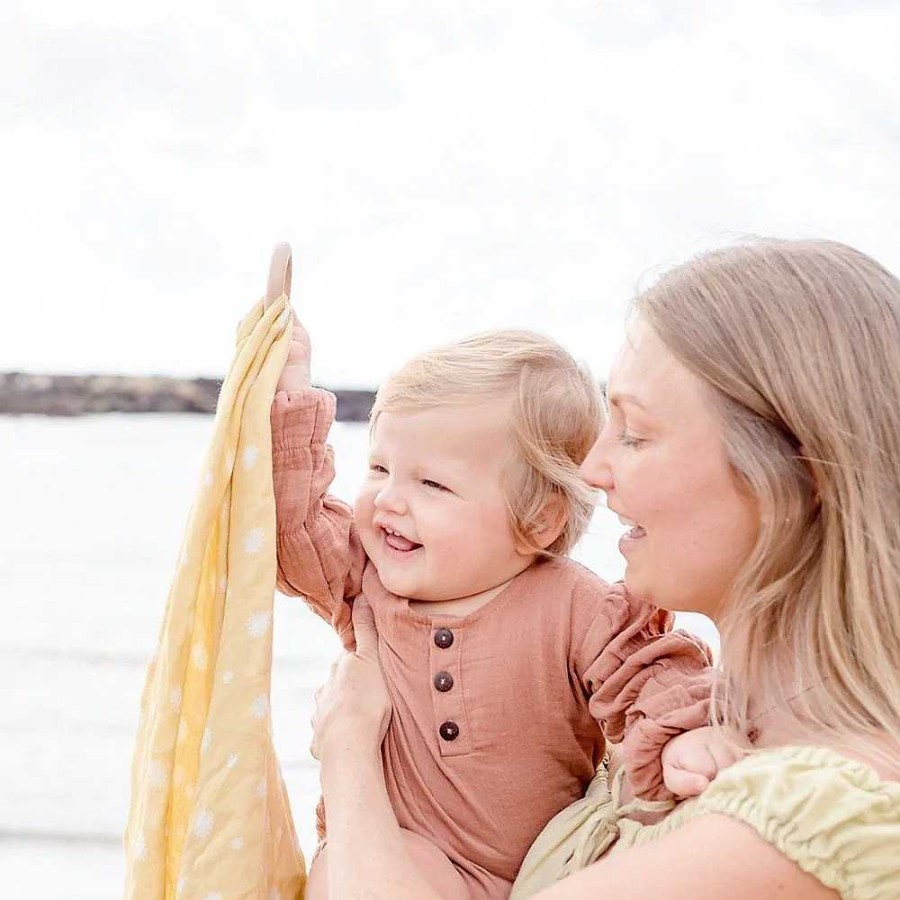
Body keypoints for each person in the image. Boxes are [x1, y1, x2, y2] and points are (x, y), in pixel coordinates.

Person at [309, 238, 900, 899]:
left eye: (637, 433)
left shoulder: (799, 816)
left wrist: (348, 750)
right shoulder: (698, 739)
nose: (592, 470)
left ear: (792, 476)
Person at [270, 327, 742, 899]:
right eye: (379, 469)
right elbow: (289, 527)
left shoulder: (578, 605)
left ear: (537, 521)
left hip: (546, 870)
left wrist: (682, 739)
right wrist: (286, 393)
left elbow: (651, 676)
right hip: (391, 853)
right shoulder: (364, 581)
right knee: (330, 876)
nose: (389, 499)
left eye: (432, 484)